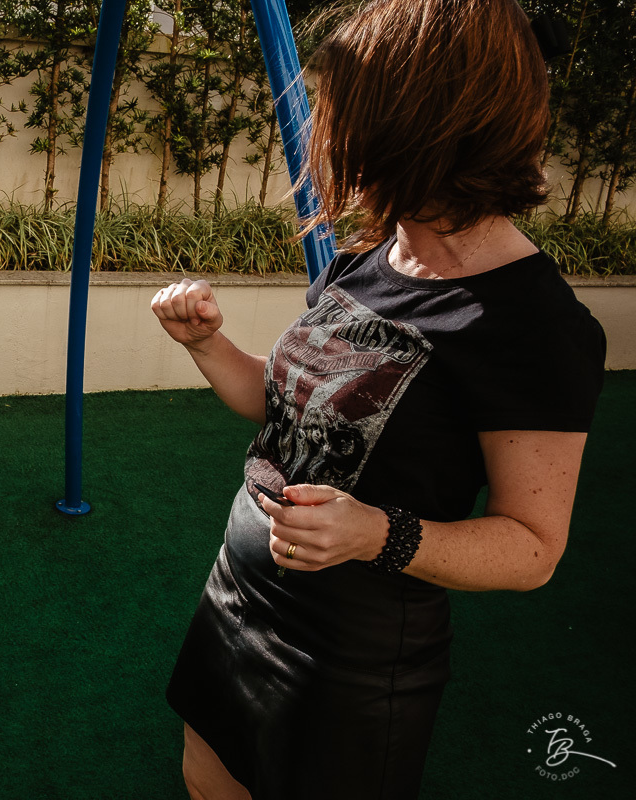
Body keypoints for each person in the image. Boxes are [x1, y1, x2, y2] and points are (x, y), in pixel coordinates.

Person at [150, 2, 606, 798]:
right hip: (236, 600)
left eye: (348, 113)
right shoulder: (368, 257)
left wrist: (374, 534)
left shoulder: (532, 326)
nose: (331, 135)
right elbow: (292, 409)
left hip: (348, 661)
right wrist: (205, 344)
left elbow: (534, 548)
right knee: (206, 778)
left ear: (423, 124)